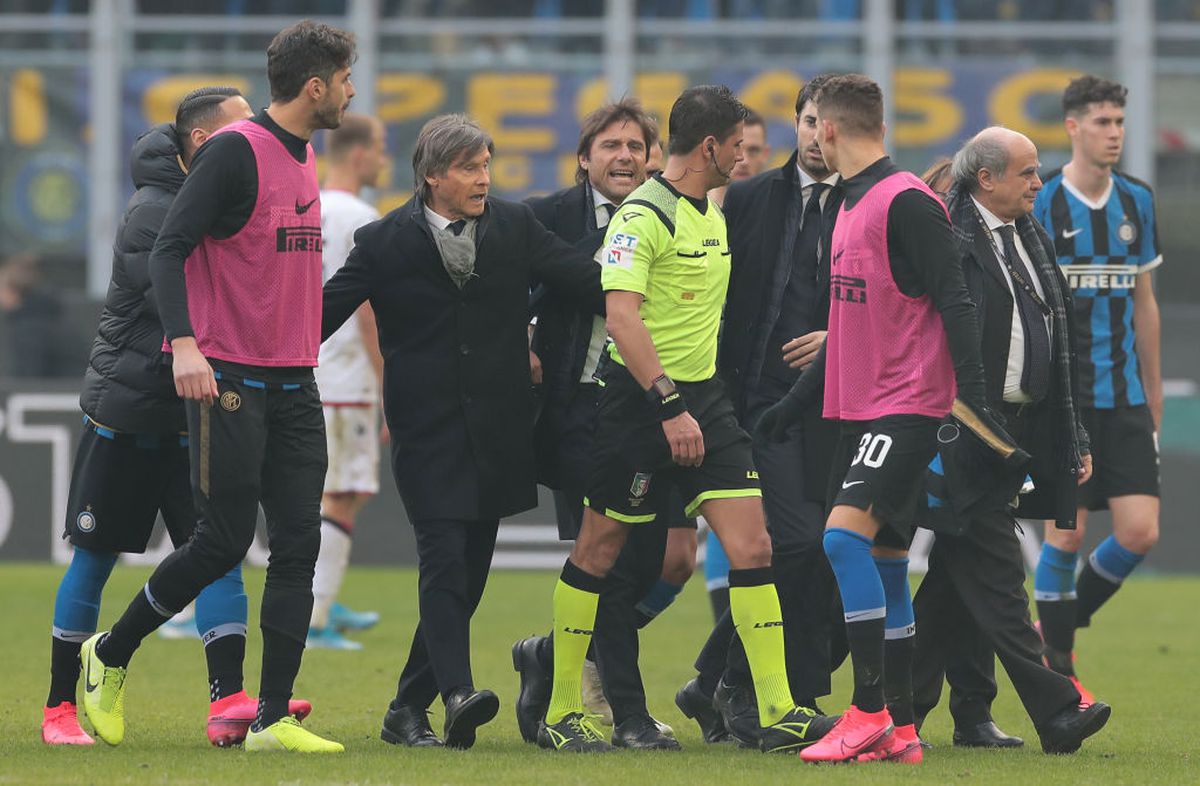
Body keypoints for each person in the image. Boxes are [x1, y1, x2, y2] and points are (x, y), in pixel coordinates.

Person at [79, 20, 356, 754]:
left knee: (299, 544)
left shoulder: (303, 159)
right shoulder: (237, 152)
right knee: (222, 542)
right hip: (231, 378)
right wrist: (185, 347)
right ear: (317, 85)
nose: (353, 92)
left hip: (296, 383)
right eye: (347, 78)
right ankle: (108, 653)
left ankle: (268, 720)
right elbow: (170, 249)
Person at [539, 84, 834, 755]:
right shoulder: (642, 216)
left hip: (707, 401)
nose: (744, 156)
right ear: (710, 146)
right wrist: (669, 404)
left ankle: (780, 707)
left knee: (755, 547)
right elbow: (621, 319)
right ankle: (562, 709)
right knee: (600, 549)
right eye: (737, 145)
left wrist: (694, 402)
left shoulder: (710, 212)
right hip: (640, 403)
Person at [321, 113, 603, 751]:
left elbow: (587, 282)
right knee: (444, 563)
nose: (484, 179)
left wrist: (657, 294)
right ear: (433, 176)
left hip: (501, 433)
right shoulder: (382, 241)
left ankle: (404, 708)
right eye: (471, 168)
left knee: (469, 576)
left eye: (487, 165)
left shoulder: (515, 225)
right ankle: (457, 694)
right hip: (427, 433)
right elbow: (319, 315)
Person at [39, 87, 308, 748]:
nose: (259, 137)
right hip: (131, 411)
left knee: (220, 553)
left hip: (199, 409)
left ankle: (230, 703)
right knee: (97, 556)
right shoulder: (157, 210)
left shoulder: (224, 199)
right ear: (201, 142)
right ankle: (58, 710)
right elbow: (195, 302)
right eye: (243, 128)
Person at [756, 73, 993, 764]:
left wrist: (973, 405)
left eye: (811, 126)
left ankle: (867, 712)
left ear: (827, 129)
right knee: (888, 564)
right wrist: (789, 410)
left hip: (909, 408)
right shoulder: (848, 204)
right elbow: (847, 327)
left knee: (839, 542)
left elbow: (957, 302)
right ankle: (906, 729)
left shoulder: (907, 202)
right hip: (859, 411)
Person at [911, 127, 1112, 754]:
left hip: (1019, 425)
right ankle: (1055, 706)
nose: (1038, 182)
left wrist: (1071, 430)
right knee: (997, 573)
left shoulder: (1030, 235)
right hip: (963, 425)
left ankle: (898, 707)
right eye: (1027, 172)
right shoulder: (947, 231)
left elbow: (1059, 338)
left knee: (951, 581)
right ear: (986, 178)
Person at [515, 99, 691, 750]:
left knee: (661, 561)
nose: (624, 156)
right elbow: (506, 294)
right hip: (580, 412)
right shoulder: (545, 217)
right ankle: (626, 711)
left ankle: (556, 658)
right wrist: (522, 344)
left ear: (652, 158)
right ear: (584, 157)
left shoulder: (674, 217)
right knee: (609, 560)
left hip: (659, 409)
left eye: (636, 146)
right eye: (610, 145)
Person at [678, 75, 845, 748]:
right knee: (796, 545)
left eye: (825, 123)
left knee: (815, 555)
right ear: (796, 126)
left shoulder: (866, 208)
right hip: (754, 406)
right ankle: (747, 694)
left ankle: (716, 678)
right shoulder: (744, 200)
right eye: (806, 120)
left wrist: (842, 338)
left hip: (833, 411)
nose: (815, 133)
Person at [1032, 75, 1163, 703]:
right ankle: (1059, 667)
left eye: (1119, 121)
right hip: (1067, 404)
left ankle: (1058, 623)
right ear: (1073, 127)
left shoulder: (1137, 201)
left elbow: (1145, 307)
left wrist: (1155, 395)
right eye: (1103, 122)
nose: (1114, 133)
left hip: (1127, 398)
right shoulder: (1044, 203)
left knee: (1141, 532)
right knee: (1067, 535)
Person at [307, 112, 388, 651]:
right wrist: (388, 384)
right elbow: (366, 308)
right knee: (342, 496)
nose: (384, 160)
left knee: (328, 494)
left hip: (310, 368)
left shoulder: (307, 204)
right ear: (359, 155)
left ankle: (324, 600)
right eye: (381, 150)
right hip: (347, 376)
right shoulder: (361, 214)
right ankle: (315, 617)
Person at [707, 109, 771, 208]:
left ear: (765, 154)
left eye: (753, 151)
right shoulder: (692, 210)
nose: (744, 161)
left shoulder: (781, 211)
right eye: (736, 147)